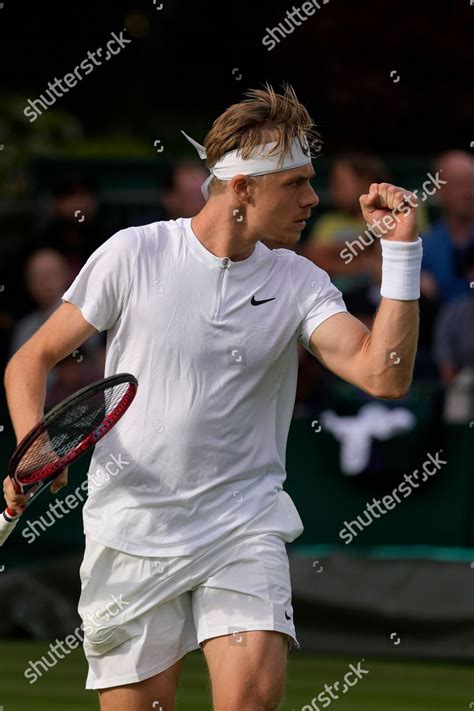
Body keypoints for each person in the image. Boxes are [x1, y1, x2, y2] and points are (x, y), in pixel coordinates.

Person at [3, 84, 422, 711]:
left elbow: (383, 376)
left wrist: (401, 252)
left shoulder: (299, 281)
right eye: (296, 184)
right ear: (242, 188)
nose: (312, 198)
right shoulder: (133, 252)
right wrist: (33, 446)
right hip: (130, 531)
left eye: (313, 181)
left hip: (243, 526)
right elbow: (29, 360)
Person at [421, 151, 474, 304]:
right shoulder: (424, 246)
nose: (467, 192)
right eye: (457, 184)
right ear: (437, 190)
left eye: (471, 183)